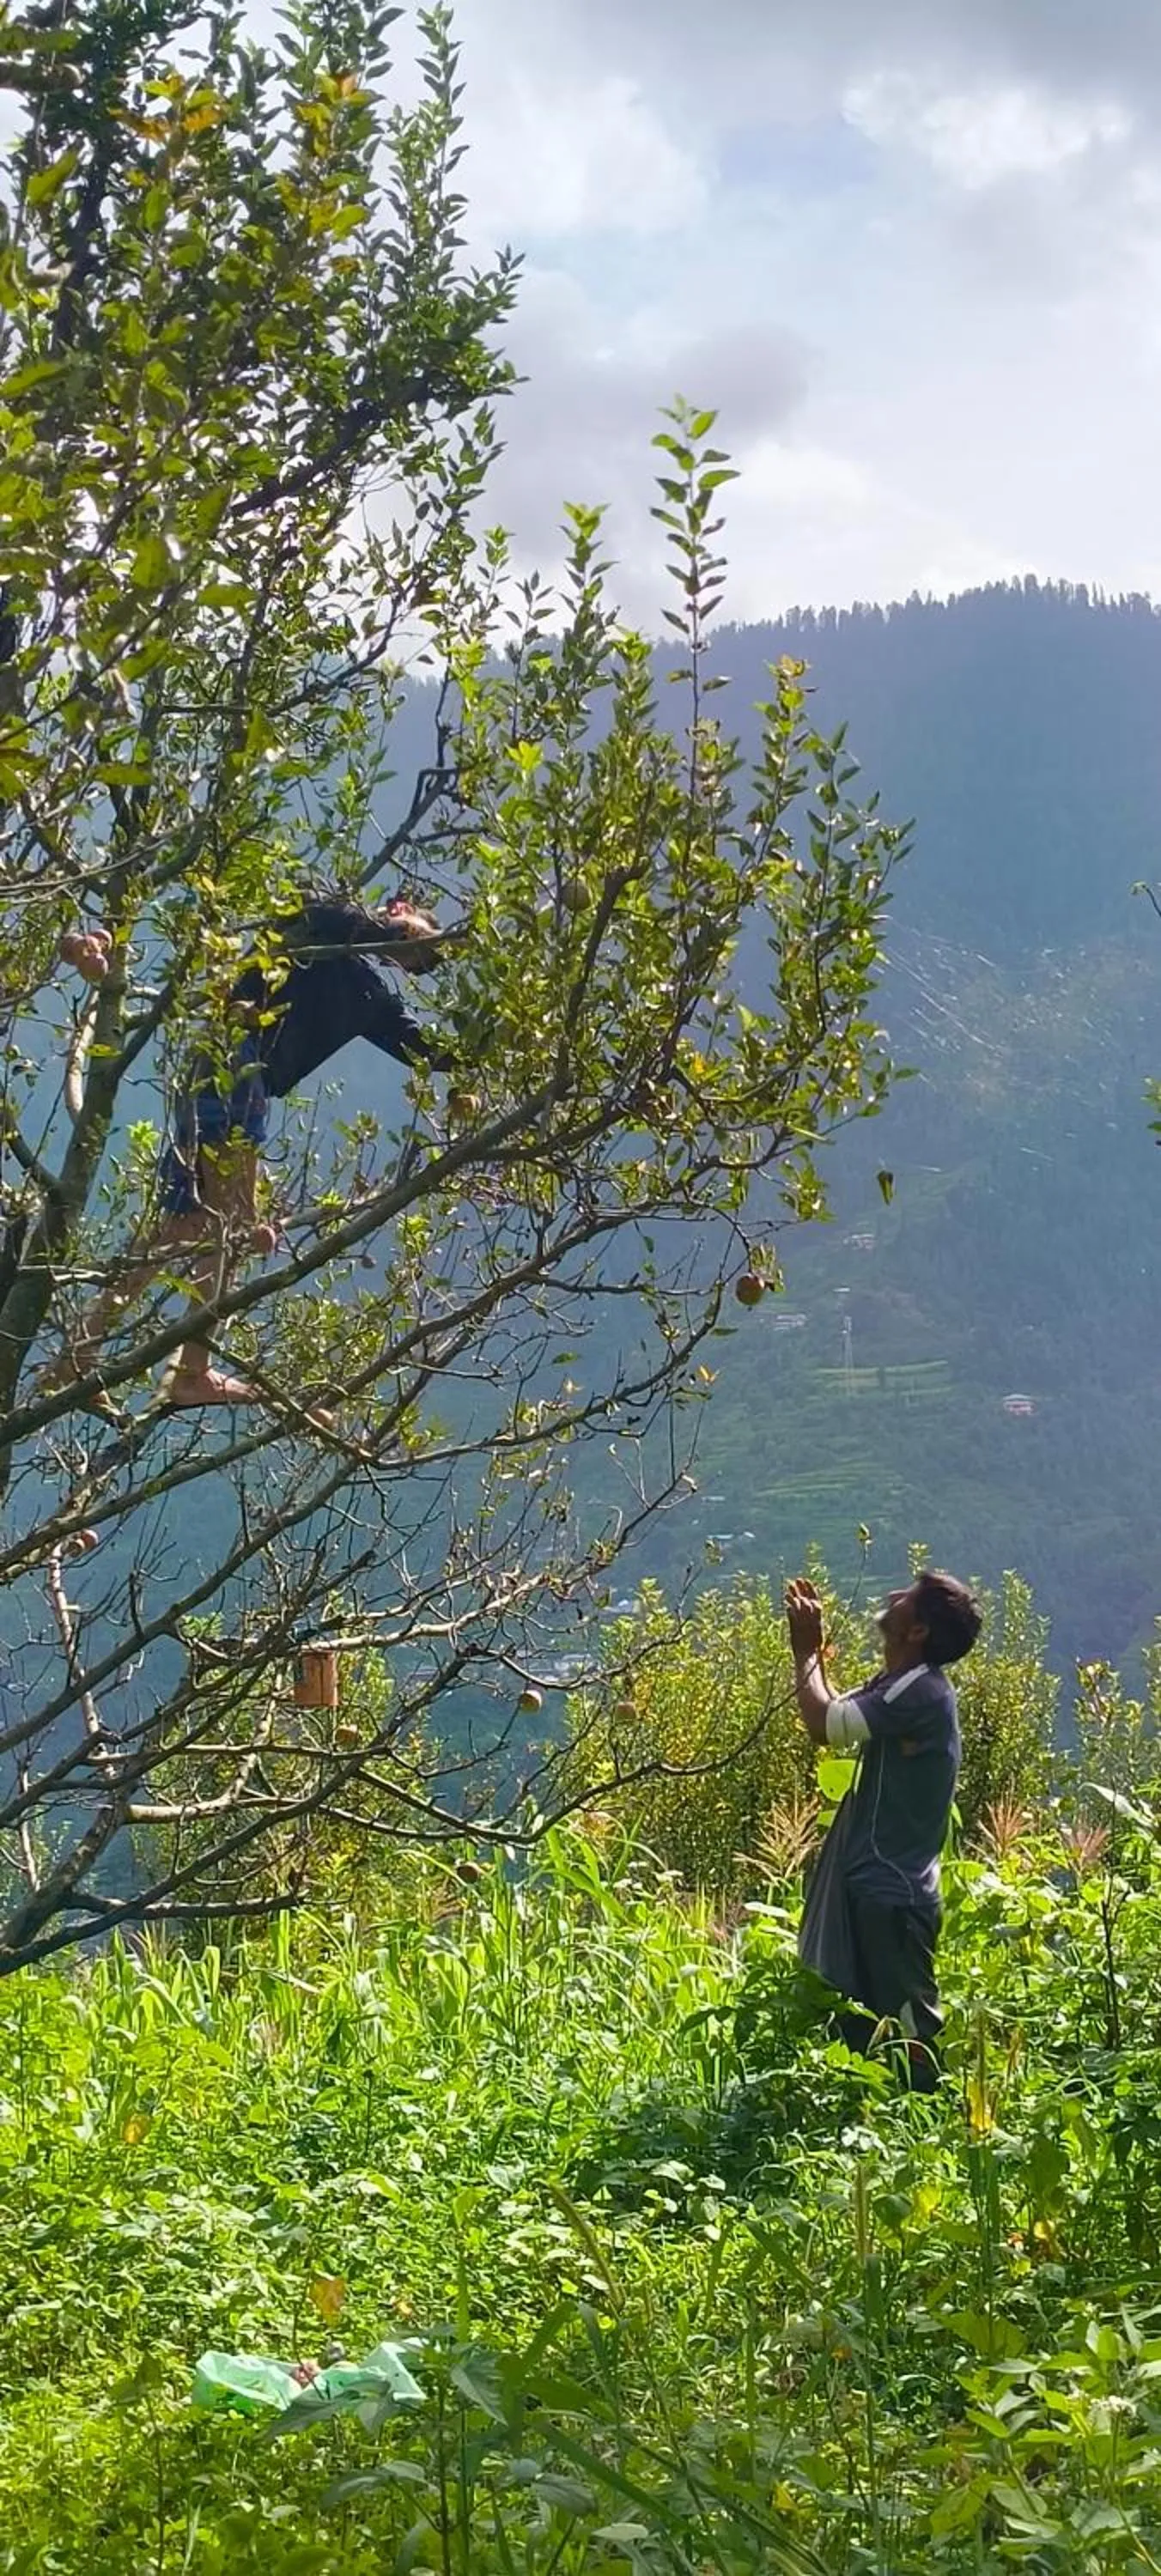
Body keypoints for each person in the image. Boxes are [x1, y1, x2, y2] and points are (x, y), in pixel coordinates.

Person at [46, 892, 453, 1411]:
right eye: (420, 940)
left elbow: (431, 1053)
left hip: (230, 1076)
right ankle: (188, 1373)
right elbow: (306, 909)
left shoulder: (369, 993)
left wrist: (499, 1039)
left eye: (420, 961)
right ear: (403, 907)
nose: (413, 955)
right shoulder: (323, 925)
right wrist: (391, 929)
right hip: (231, 1062)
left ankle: (79, 1355)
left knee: (187, 1227)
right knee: (231, 1225)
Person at [785, 1568, 982, 2089]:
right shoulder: (903, 1686)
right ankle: (870, 2124)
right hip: (877, 1886)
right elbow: (837, 1711)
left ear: (917, 1631)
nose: (893, 1595)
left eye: (908, 1597)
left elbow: (826, 1726)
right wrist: (814, 1655)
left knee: (908, 2030)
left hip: (890, 1892)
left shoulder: (918, 1693)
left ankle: (929, 2130)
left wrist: (805, 1650)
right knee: (858, 2023)